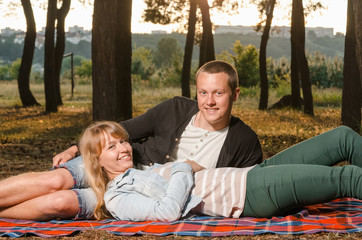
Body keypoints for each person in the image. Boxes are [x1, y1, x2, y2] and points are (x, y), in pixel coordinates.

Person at [0, 60, 262, 220]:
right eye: (203, 93)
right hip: (118, 160)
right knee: (55, 180)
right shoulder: (175, 109)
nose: (209, 102)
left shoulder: (244, 140)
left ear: (235, 95)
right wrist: (73, 149)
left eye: (218, 93)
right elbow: (123, 130)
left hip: (137, 193)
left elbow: (237, 186)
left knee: (61, 202)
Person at [81, 121, 362, 221]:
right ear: (97, 161)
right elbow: (166, 212)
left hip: (252, 173)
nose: (123, 148)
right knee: (346, 178)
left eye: (122, 141)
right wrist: (180, 168)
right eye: (111, 147)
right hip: (250, 194)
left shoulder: (142, 169)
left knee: (343, 137)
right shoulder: (118, 197)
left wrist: (183, 170)